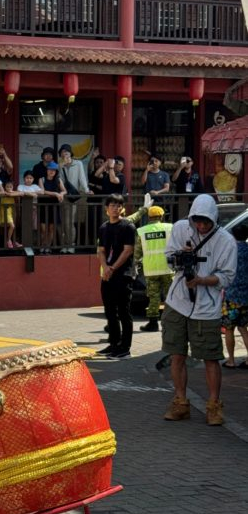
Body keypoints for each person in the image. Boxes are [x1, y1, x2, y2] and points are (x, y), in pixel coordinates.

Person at [161, 194, 237, 426]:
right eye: (197, 221)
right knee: (176, 355)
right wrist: (179, 258)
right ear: (191, 218)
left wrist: (202, 281)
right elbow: (168, 258)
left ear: (214, 219)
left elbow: (227, 276)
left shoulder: (225, 241)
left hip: (206, 308)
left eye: (206, 222)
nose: (201, 226)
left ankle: (214, 405)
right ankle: (181, 402)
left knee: (211, 358)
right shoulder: (180, 228)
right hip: (177, 302)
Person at [96, 194, 136, 359]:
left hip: (123, 274)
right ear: (107, 208)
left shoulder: (128, 226)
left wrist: (112, 268)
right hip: (107, 275)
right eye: (112, 205)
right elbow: (101, 250)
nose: (115, 208)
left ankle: (124, 348)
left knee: (124, 311)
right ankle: (113, 344)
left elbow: (128, 251)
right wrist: (106, 267)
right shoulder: (104, 227)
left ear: (122, 208)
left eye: (118, 205)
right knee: (109, 310)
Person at [134, 205, 173, 333]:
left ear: (149, 217)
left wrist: (134, 264)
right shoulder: (170, 228)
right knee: (170, 297)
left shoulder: (142, 231)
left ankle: (153, 323)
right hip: (168, 268)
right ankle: (171, 323)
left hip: (151, 270)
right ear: (161, 217)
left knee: (153, 297)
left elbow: (137, 253)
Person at [220, 222, 248, 369]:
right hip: (246, 296)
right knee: (243, 328)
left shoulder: (230, 251)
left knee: (229, 329)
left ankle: (231, 360)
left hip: (231, 296)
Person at [58, 143, 92, 253]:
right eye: (63, 152)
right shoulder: (60, 165)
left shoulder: (78, 164)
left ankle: (71, 244)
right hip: (63, 196)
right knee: (64, 222)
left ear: (71, 153)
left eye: (67, 152)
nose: (65, 154)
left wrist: (86, 190)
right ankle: (64, 244)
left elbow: (82, 178)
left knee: (70, 222)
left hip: (73, 197)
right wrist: (62, 167)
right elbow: (60, 181)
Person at [37, 161, 65, 254]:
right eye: (50, 169)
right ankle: (42, 245)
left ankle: (48, 246)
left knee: (52, 228)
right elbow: (42, 191)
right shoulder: (42, 179)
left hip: (54, 207)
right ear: (47, 170)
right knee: (43, 229)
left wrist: (61, 193)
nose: (52, 171)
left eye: (54, 170)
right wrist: (55, 193)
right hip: (44, 206)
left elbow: (65, 191)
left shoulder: (58, 180)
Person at [0, 181, 20, 248]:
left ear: (13, 187)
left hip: (11, 212)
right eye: (7, 186)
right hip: (5, 212)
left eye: (10, 187)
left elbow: (21, 193)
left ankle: (13, 241)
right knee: (12, 226)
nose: (9, 188)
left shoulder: (14, 193)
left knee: (12, 227)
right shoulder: (3, 193)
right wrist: (6, 193)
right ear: (5, 187)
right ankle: (9, 240)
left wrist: (12, 193)